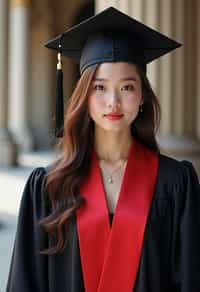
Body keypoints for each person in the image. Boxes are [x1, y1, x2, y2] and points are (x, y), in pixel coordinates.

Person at [6, 7, 200, 292]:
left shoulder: (175, 183)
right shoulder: (48, 187)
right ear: (84, 96)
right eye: (99, 87)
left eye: (127, 87)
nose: (113, 102)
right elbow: (27, 281)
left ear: (143, 95)